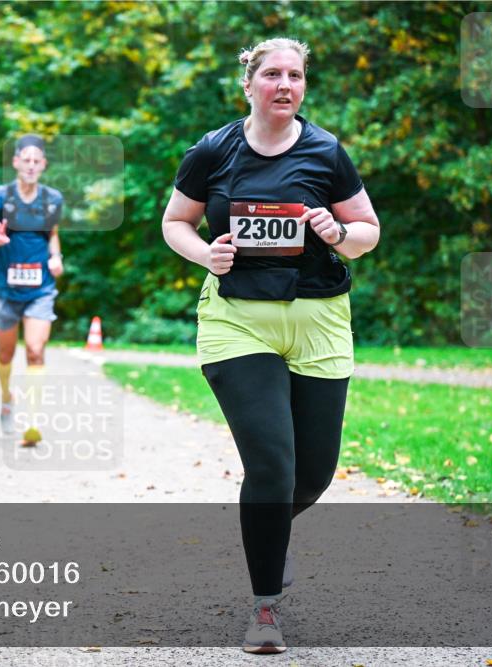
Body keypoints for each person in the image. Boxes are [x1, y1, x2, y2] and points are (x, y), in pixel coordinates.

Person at [161, 38, 380, 654]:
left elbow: (367, 231)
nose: (284, 85)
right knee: (273, 465)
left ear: (304, 85)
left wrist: (339, 231)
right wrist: (208, 252)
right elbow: (174, 222)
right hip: (238, 321)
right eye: (272, 75)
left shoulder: (326, 151)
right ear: (249, 84)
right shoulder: (213, 151)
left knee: (313, 473)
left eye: (295, 75)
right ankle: (265, 609)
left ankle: (267, 536)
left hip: (319, 319)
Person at [0, 134, 64, 437]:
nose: (32, 166)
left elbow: (53, 235)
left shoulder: (52, 199)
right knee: (6, 353)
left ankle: (33, 421)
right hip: (5, 289)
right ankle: (7, 397)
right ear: (16, 162)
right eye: (27, 160)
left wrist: (56, 257)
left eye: (37, 161)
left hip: (40, 288)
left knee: (35, 350)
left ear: (44, 165)